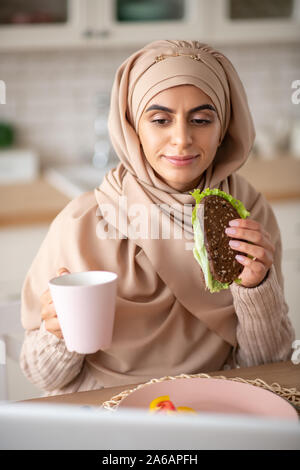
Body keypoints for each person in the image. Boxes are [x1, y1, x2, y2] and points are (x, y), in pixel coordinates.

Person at [20, 40, 295, 397]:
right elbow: (43, 377)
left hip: (210, 406)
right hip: (103, 412)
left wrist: (256, 289)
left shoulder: (247, 214)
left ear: (224, 125)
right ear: (132, 126)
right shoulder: (83, 222)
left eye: (201, 119)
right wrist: (57, 333)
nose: (181, 139)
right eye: (160, 120)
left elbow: (269, 363)